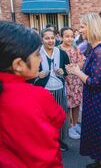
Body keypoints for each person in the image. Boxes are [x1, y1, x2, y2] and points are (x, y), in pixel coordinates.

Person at [0, 21, 65, 167]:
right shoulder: (36, 97)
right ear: (18, 64)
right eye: (36, 55)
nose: (40, 59)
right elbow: (45, 156)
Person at [66, 13, 101, 168]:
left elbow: (95, 82)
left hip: (100, 103)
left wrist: (77, 72)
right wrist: (79, 67)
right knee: (100, 138)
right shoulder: (96, 48)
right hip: (96, 101)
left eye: (83, 26)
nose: (80, 30)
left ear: (92, 27)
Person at [34, 28, 70, 151]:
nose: (50, 41)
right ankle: (45, 142)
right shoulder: (36, 53)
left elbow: (67, 70)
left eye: (52, 38)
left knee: (59, 117)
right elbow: (29, 73)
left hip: (59, 89)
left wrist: (63, 72)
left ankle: (58, 140)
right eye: (47, 38)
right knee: (44, 118)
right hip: (43, 91)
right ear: (42, 39)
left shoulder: (62, 53)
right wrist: (37, 74)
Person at [59, 27, 84, 140]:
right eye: (67, 36)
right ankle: (69, 127)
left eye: (72, 36)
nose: (70, 39)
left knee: (77, 103)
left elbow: (82, 61)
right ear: (61, 37)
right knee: (68, 105)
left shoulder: (76, 48)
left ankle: (75, 124)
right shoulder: (58, 50)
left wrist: (75, 67)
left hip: (76, 80)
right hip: (66, 81)